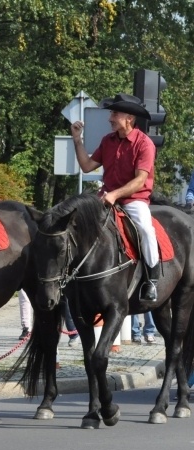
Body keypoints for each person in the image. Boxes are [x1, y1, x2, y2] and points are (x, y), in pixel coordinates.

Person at [70, 93, 159, 301]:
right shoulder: (107, 141)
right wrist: (77, 140)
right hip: (106, 197)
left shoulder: (145, 144)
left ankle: (151, 281)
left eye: (115, 114)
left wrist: (115, 194)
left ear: (129, 118)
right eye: (111, 113)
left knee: (146, 230)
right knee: (77, 223)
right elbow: (87, 166)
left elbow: (140, 180)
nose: (110, 118)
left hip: (134, 201)